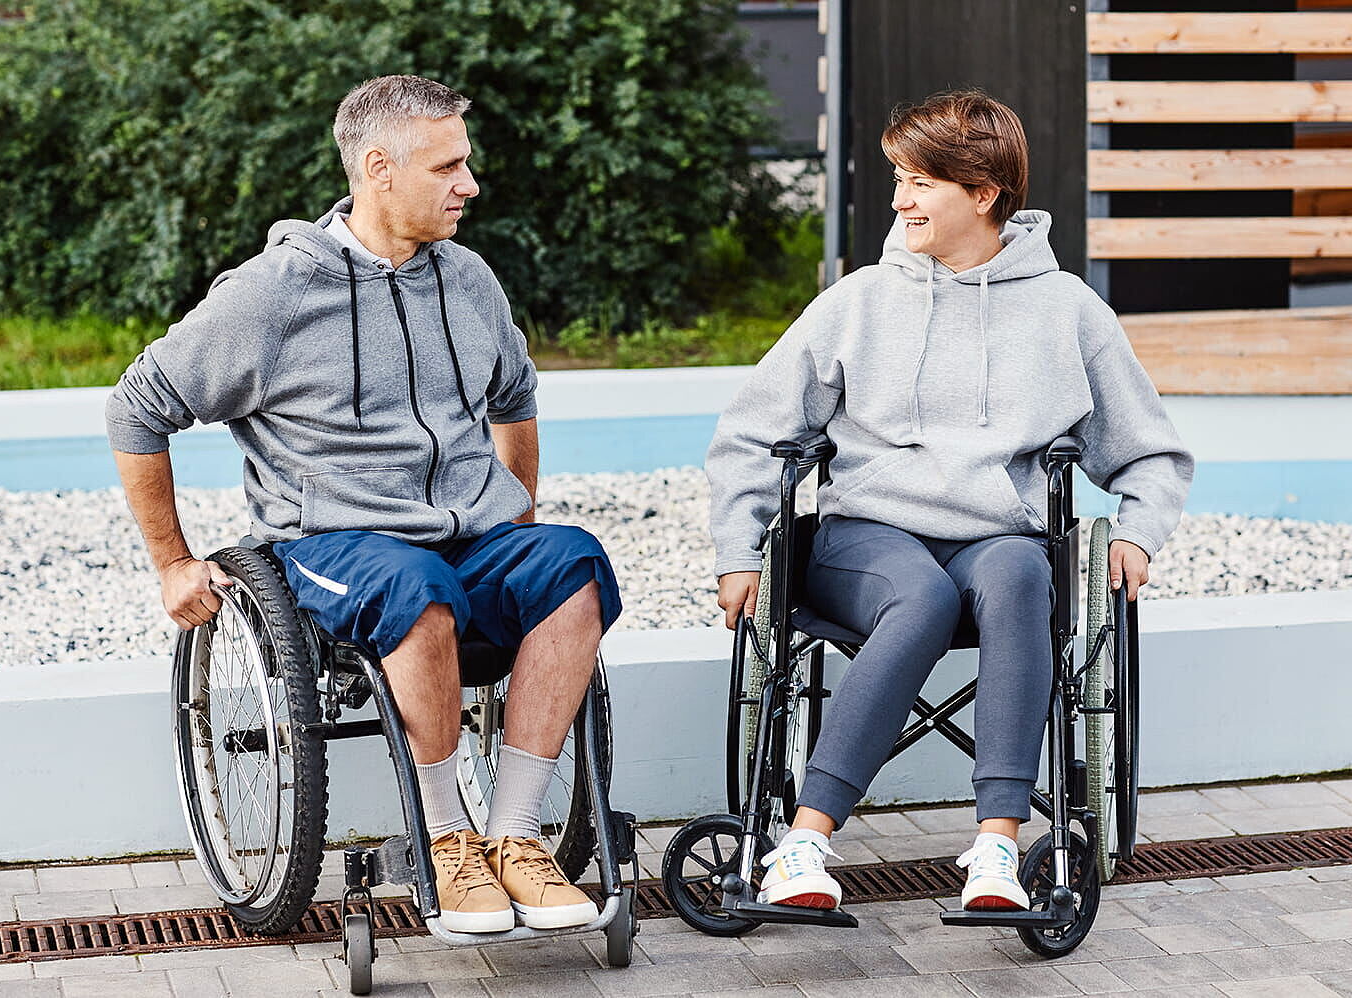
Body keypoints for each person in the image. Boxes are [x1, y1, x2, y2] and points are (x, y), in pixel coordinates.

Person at [106, 75, 622, 935]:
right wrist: (172, 562)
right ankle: (447, 837)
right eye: (449, 165)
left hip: (468, 534)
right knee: (414, 590)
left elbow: (515, 398)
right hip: (337, 541)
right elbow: (138, 404)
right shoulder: (272, 295)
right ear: (378, 168)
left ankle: (515, 835)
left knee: (574, 565)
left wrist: (516, 516)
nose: (471, 184)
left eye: (468, 163)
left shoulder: (470, 280)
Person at [705, 90, 1192, 913]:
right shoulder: (858, 301)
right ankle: (801, 844)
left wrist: (1138, 532)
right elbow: (753, 433)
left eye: (919, 181)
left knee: (1021, 578)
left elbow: (1149, 449)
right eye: (900, 177)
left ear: (983, 193)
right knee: (922, 597)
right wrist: (739, 550)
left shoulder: (1068, 310)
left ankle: (997, 848)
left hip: (995, 539)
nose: (899, 199)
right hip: (867, 538)